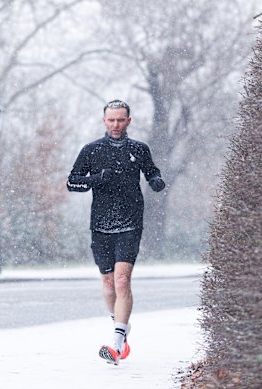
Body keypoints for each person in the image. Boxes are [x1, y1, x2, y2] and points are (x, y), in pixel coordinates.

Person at [66, 99, 166, 365]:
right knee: (108, 284)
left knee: (122, 281)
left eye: (121, 119)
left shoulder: (138, 149)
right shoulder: (91, 150)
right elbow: (72, 182)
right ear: (104, 121)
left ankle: (117, 342)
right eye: (111, 120)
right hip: (100, 224)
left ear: (129, 121)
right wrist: (96, 179)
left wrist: (156, 181)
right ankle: (121, 327)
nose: (116, 124)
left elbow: (152, 172)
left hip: (131, 222)